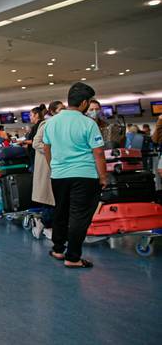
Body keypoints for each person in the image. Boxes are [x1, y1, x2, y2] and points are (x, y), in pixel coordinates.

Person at [43, 82, 106, 268]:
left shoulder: (51, 122)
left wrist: (53, 166)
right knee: (79, 216)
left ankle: (58, 249)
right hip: (84, 175)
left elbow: (46, 148)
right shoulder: (89, 123)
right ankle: (73, 257)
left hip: (59, 175)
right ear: (84, 103)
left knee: (60, 211)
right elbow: (98, 153)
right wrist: (103, 177)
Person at [31, 101, 64, 239]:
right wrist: (51, 149)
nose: (64, 111)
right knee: (50, 198)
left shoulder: (63, 125)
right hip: (47, 166)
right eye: (61, 109)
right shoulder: (46, 124)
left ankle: (46, 223)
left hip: (60, 166)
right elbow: (36, 143)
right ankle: (45, 224)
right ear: (52, 111)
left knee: (55, 198)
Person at [24, 105, 47, 170]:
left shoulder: (38, 126)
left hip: (37, 154)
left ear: (36, 115)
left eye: (31, 115)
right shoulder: (38, 125)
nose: (30, 117)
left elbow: (34, 141)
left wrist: (22, 142)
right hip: (36, 154)